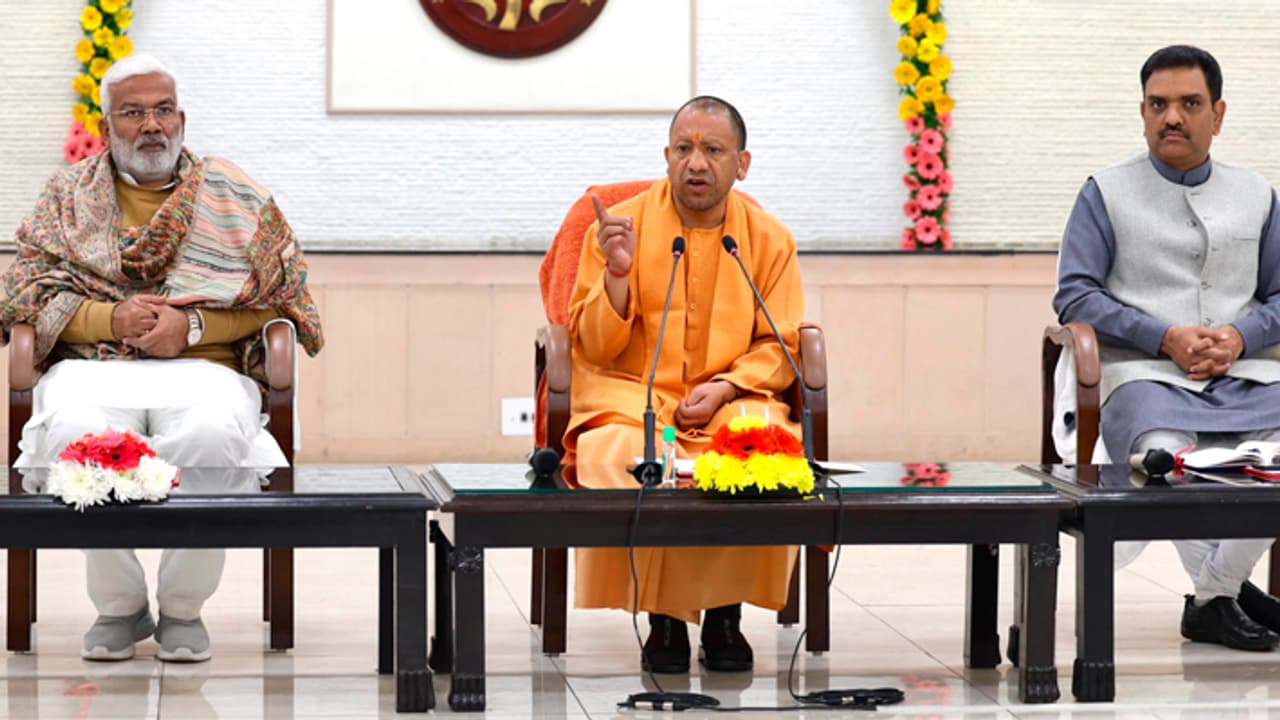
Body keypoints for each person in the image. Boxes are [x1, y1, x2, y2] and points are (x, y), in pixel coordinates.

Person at [0, 54, 322, 662]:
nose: (151, 125)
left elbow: (282, 302)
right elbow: (23, 296)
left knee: (211, 437)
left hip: (206, 371)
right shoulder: (66, 198)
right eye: (133, 113)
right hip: (92, 368)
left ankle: (183, 608)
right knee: (76, 436)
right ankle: (119, 606)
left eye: (163, 110)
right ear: (106, 126)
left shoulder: (235, 197)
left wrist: (192, 327)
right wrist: (110, 319)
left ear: (181, 119)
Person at [563, 96, 804, 673]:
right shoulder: (618, 229)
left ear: (742, 164)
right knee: (624, 453)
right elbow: (592, 346)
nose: (696, 162)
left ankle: (724, 614)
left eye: (713, 150)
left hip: (730, 396)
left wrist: (728, 387)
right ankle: (664, 619)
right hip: (632, 394)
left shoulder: (769, 239)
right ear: (667, 156)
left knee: (762, 449)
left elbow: (783, 343)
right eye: (683, 148)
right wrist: (617, 274)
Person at [1054, 45, 1280, 652]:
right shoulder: (1104, 192)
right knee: (1168, 462)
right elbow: (1075, 296)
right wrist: (1163, 335)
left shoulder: (1257, 194)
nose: (1171, 117)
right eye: (1158, 104)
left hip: (1247, 372)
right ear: (1143, 112)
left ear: (1218, 114)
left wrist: (1241, 336)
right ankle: (1224, 595)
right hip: (1142, 373)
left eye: (1189, 103)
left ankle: (1214, 596)